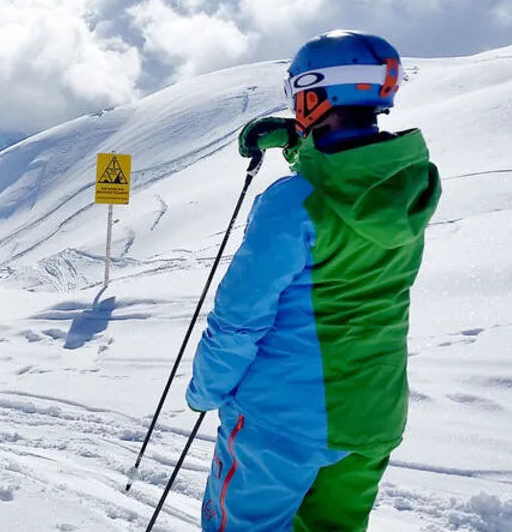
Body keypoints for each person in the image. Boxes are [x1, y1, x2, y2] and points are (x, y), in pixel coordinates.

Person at [185, 30, 442, 531]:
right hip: (371, 414)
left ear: (315, 95)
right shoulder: (407, 186)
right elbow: (348, 181)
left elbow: (239, 320)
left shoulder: (292, 204)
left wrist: (205, 390)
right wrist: (298, 143)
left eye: (297, 95)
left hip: (282, 419)